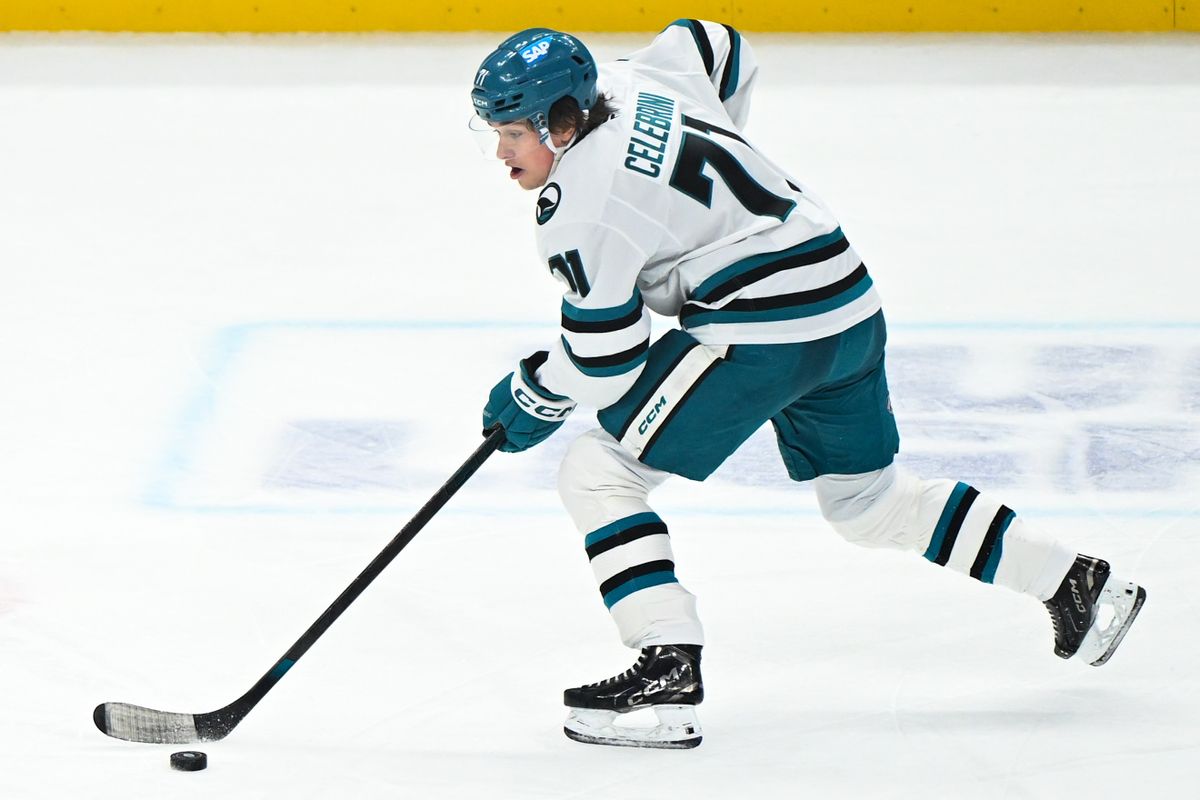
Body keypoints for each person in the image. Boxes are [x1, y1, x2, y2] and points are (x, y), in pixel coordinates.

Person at [470, 20, 1146, 749]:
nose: (502, 154)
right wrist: (697, 207)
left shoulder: (581, 207)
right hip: (848, 299)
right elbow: (717, 43)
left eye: (512, 133)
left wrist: (532, 394)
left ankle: (665, 664)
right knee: (868, 504)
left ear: (565, 123)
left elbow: (606, 362)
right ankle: (1074, 582)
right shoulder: (640, 78)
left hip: (766, 335)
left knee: (596, 471)